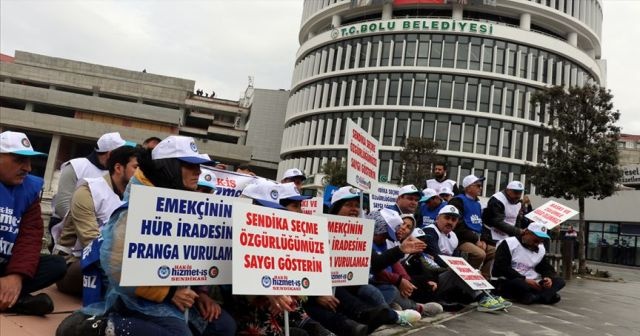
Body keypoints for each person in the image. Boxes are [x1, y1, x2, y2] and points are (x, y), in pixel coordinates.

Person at [72, 135, 235, 335]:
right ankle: (103, 328)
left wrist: (200, 293)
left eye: (199, 166)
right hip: (137, 299)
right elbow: (117, 270)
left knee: (224, 326)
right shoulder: (138, 206)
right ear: (169, 167)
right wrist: (169, 293)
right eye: (190, 166)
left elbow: (194, 256)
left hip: (179, 295)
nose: (198, 172)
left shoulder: (190, 203)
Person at [53, 145, 139, 298]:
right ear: (118, 168)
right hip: (74, 262)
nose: (140, 174)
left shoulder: (135, 196)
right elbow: (92, 243)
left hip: (114, 261)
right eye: (136, 167)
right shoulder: (88, 191)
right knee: (112, 270)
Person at [0, 131, 66, 316]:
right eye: (20, 160)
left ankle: (10, 296)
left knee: (57, 265)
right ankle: (18, 301)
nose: (28, 168)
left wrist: (16, 275)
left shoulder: (29, 190)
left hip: (7, 264)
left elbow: (30, 235)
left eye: (29, 161)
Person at [419, 205, 509, 312]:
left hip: (443, 277)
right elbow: (437, 258)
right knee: (458, 271)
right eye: (447, 218)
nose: (450, 222)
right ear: (438, 218)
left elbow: (457, 260)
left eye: (453, 219)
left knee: (468, 270)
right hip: (429, 279)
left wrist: (471, 271)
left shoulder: (453, 236)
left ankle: (489, 295)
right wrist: (461, 269)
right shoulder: (430, 231)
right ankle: (482, 298)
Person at [51, 132, 134, 237]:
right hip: (66, 233)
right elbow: (62, 204)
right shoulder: (76, 167)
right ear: (110, 154)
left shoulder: (117, 173)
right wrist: (87, 225)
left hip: (104, 234)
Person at [493, 222, 565, 305]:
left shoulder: (540, 248)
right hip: (513, 279)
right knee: (519, 284)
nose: (537, 244)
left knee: (560, 281)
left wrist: (548, 278)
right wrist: (525, 279)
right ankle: (545, 296)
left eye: (541, 241)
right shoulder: (509, 243)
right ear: (527, 233)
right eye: (536, 240)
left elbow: (545, 267)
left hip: (533, 280)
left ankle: (535, 297)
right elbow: (502, 267)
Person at [448, 175, 495, 280]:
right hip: (461, 239)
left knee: (493, 251)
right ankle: (468, 279)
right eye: (478, 185)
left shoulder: (478, 203)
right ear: (468, 187)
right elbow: (458, 226)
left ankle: (485, 280)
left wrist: (482, 240)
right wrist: (476, 240)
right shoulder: (457, 201)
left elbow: (479, 224)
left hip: (475, 238)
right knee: (479, 254)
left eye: (481, 185)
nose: (481, 188)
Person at [482, 180, 526, 246]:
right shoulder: (497, 200)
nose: (518, 195)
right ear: (508, 190)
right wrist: (518, 231)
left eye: (520, 193)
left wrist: (517, 233)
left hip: (508, 234)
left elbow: (517, 219)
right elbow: (497, 222)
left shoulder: (518, 202)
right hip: (492, 234)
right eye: (516, 192)